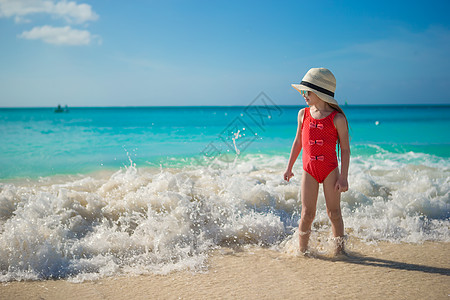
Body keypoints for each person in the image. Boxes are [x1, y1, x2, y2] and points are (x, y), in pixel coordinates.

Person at [283, 68, 350, 255]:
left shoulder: (337, 119)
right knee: (307, 214)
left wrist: (343, 177)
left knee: (334, 213)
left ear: (319, 92)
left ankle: (340, 252)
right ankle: (302, 252)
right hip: (309, 170)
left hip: (330, 171)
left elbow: (345, 150)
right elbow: (298, 142)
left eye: (307, 91)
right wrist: (289, 167)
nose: (303, 95)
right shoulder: (303, 114)